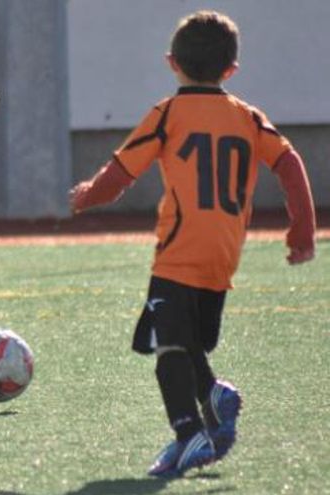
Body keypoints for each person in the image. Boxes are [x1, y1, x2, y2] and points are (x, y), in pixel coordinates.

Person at [69, 11, 316, 478]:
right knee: (184, 342)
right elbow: (289, 163)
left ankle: (187, 435)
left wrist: (85, 197)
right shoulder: (248, 117)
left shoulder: (167, 113)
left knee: (168, 350)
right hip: (223, 255)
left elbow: (119, 175)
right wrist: (301, 229)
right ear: (231, 71)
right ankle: (214, 397)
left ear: (172, 62)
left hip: (180, 250)